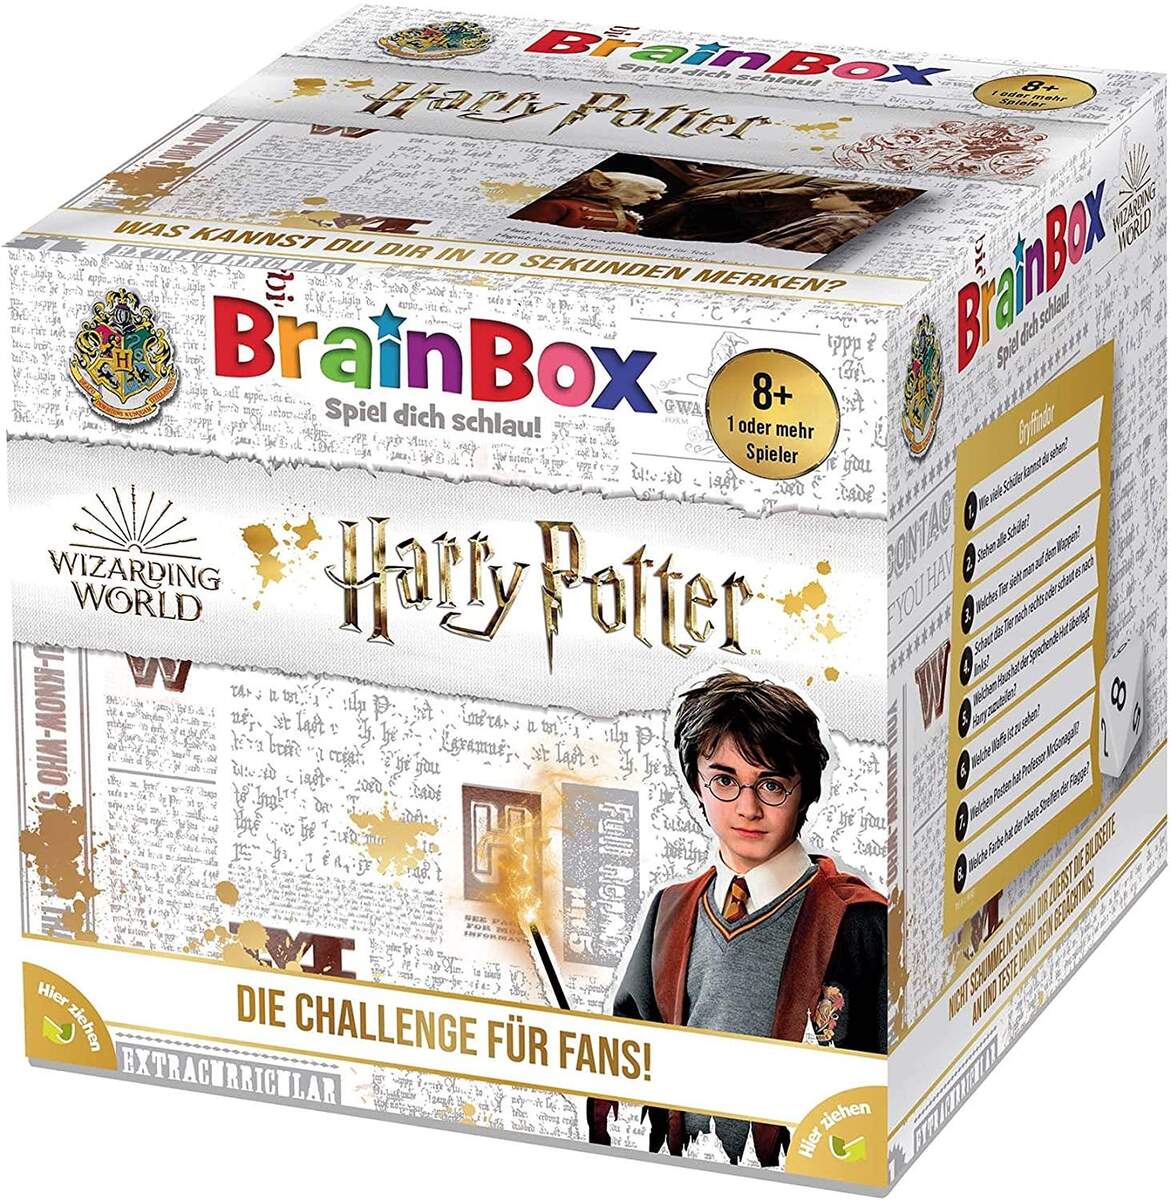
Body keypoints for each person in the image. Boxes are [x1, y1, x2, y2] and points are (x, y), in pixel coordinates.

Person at [587, 671, 887, 1166]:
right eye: (725, 781)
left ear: (805, 790)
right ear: (697, 784)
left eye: (771, 785)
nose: (748, 808)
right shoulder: (669, 910)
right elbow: (630, 1057)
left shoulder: (858, 920)